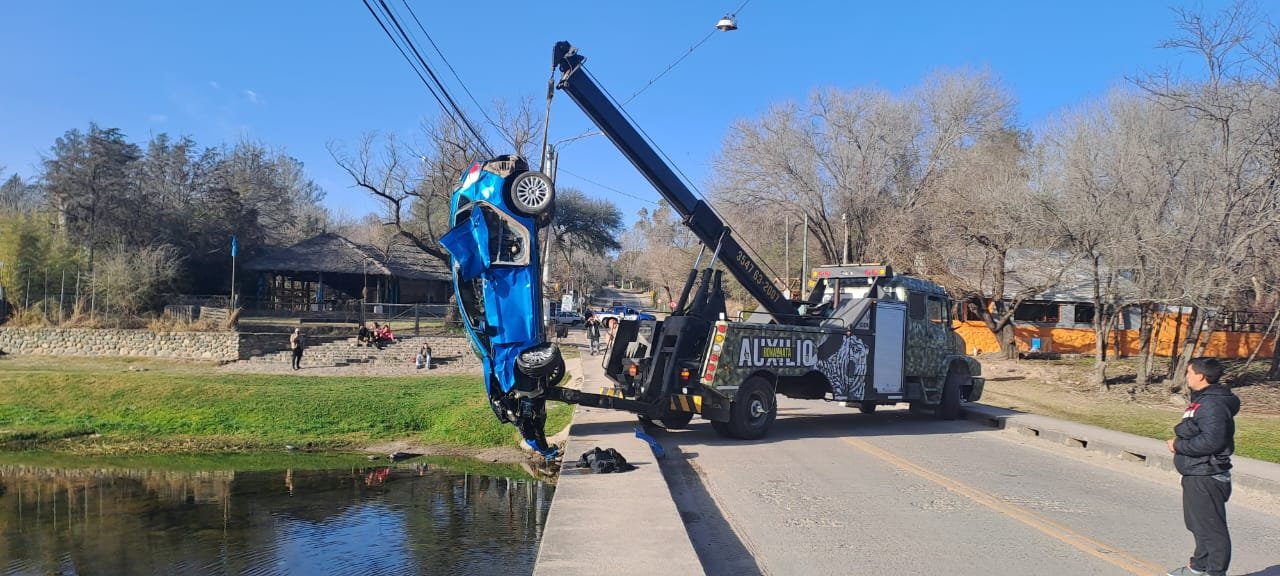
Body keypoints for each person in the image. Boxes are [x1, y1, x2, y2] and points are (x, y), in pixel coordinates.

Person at [1166, 357, 1240, 576]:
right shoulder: (1204, 400)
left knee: (1212, 529)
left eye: (1189, 372)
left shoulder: (1212, 404)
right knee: (1198, 524)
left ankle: (1215, 572)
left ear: (1201, 376)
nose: (1186, 376)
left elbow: (1211, 441)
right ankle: (1199, 567)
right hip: (1196, 471)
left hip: (1207, 473)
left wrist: (1178, 445)